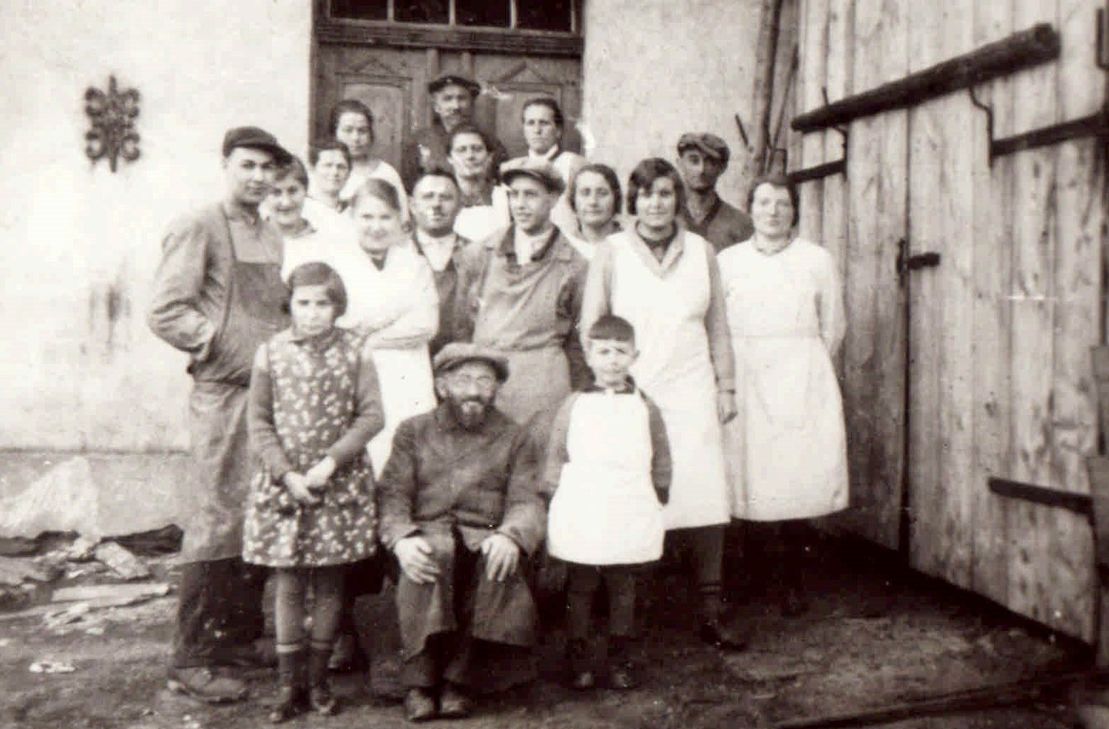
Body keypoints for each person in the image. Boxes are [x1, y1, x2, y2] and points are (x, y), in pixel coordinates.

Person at [148, 126, 293, 703]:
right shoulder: (198, 225)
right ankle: (188, 659)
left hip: (266, 394)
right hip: (222, 392)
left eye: (267, 169)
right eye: (248, 166)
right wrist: (218, 342)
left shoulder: (271, 230)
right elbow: (166, 310)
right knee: (213, 520)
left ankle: (233, 639)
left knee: (255, 514)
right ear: (226, 165)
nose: (258, 178)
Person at [579, 157, 745, 651]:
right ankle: (634, 615)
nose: (657, 203)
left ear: (677, 199)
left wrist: (727, 386)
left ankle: (711, 612)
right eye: (647, 194)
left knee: (705, 495)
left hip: (692, 388)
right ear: (634, 200)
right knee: (635, 493)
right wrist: (606, 387)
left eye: (666, 194)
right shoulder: (611, 251)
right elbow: (593, 326)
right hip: (634, 390)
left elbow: (717, 324)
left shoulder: (701, 250)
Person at [243, 262, 383, 722]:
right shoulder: (271, 352)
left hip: (336, 483)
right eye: (304, 303)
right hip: (285, 484)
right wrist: (287, 474)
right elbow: (258, 420)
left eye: (323, 303)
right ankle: (289, 686)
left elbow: (371, 416)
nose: (313, 312)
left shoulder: (356, 350)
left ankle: (319, 680)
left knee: (328, 584)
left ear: (337, 305)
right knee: (287, 583)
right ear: (290, 305)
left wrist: (329, 463)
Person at [378, 342, 546, 722]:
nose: (474, 390)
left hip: (485, 532)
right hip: (427, 531)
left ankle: (461, 681)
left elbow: (527, 499)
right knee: (432, 552)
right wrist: (402, 538)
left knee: (495, 558)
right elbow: (393, 494)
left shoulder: (514, 436)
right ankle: (419, 683)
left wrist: (511, 534)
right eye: (464, 379)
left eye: (484, 381)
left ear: (495, 389)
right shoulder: (413, 432)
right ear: (442, 386)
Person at [718, 174, 848, 615]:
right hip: (747, 375)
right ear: (750, 209)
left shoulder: (816, 260)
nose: (773, 211)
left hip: (798, 377)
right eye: (764, 203)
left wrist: (804, 364)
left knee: (793, 478)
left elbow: (833, 325)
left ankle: (791, 582)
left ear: (795, 211)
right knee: (748, 477)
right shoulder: (729, 261)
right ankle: (747, 580)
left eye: (782, 204)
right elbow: (717, 324)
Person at [545, 315, 671, 691]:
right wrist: (553, 494)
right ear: (589, 355)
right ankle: (579, 657)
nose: (612, 360)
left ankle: (621, 658)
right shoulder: (574, 404)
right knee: (581, 582)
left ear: (635, 355)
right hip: (585, 502)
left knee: (622, 583)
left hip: (629, 501)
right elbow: (556, 452)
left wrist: (660, 488)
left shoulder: (646, 406)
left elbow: (661, 453)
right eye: (603, 352)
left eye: (621, 352)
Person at [460, 157, 589, 440]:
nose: (520, 204)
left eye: (530, 195)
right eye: (513, 195)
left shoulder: (574, 264)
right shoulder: (480, 253)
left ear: (553, 198)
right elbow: (464, 323)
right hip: (487, 384)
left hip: (541, 389)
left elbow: (580, 341)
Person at [342, 178, 438, 476]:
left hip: (409, 376)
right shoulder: (338, 264)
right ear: (352, 218)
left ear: (399, 219)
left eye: (385, 217)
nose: (376, 226)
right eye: (367, 217)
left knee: (407, 459)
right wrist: (397, 311)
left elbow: (425, 324)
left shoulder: (414, 265)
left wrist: (371, 338)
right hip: (358, 375)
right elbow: (342, 323)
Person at [408, 167, 478, 356]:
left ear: (460, 205)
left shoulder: (478, 255)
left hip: (460, 359)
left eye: (445, 197)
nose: (436, 204)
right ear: (412, 205)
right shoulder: (396, 252)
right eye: (428, 197)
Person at [265, 155, 362, 286]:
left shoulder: (329, 243)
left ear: (305, 191)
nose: (286, 202)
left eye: (293, 191)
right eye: (276, 192)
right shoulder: (252, 240)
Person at [401, 72, 508, 191]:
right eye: (448, 99)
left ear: (471, 105)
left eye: (461, 98)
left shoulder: (490, 143)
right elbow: (408, 189)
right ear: (436, 106)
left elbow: (501, 186)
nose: (456, 106)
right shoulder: (419, 142)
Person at [507, 97, 585, 234]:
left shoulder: (575, 165)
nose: (537, 130)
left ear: (558, 130)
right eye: (530, 123)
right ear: (524, 129)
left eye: (544, 123)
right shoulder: (513, 168)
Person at [676, 133, 753, 252]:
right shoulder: (667, 217)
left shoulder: (741, 224)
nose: (701, 169)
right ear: (680, 164)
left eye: (710, 162)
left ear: (722, 168)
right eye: (694, 160)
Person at [330, 99, 408, 217]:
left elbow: (402, 218)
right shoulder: (324, 172)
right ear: (334, 133)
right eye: (348, 130)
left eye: (362, 131)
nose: (356, 137)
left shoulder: (386, 173)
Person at [446, 124, 510, 244]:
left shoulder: (506, 197)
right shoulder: (442, 198)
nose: (470, 156)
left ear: (490, 156)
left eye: (477, 149)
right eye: (461, 150)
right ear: (450, 158)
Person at [565, 163, 623, 260]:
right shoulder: (562, 247)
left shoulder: (633, 247)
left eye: (602, 193)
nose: (593, 201)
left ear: (616, 199)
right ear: (573, 200)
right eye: (585, 193)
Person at [304, 138, 352, 218]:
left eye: (341, 167)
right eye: (328, 165)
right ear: (312, 169)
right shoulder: (303, 209)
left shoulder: (353, 212)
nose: (335, 172)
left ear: (349, 173)